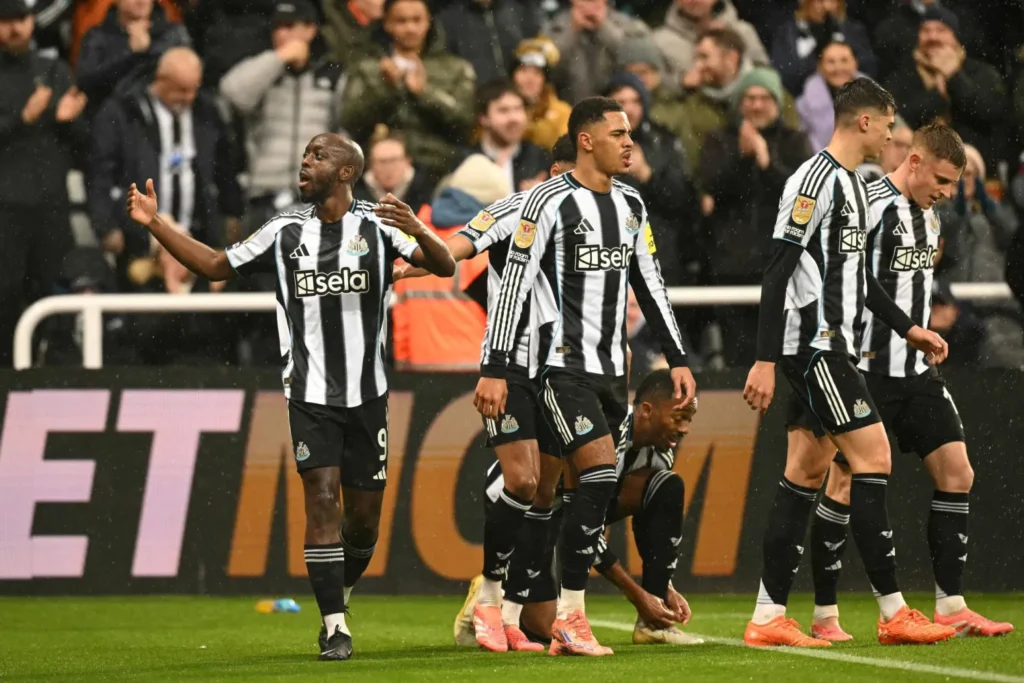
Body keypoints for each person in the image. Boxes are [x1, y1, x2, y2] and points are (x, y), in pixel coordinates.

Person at [124, 133, 455, 661]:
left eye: (318, 157)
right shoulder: (284, 230)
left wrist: (418, 230)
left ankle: (340, 596)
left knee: (364, 521)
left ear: (346, 173)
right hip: (309, 393)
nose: (305, 162)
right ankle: (335, 627)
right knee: (321, 499)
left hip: (368, 394)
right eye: (304, 154)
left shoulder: (377, 225)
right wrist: (155, 223)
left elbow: (444, 266)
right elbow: (215, 265)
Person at [474, 97, 695, 656]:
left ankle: (508, 607)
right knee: (596, 476)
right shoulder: (546, 201)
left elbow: (650, 282)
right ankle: (569, 616)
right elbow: (514, 287)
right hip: (558, 366)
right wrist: (496, 368)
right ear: (586, 141)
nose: (629, 142)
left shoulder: (631, 204)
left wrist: (678, 356)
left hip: (610, 371)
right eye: (618, 133)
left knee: (553, 493)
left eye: (631, 133)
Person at [741, 77, 954, 648]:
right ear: (865, 121)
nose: (891, 134)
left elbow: (858, 280)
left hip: (835, 347)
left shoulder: (856, 186)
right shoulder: (812, 181)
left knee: (805, 474)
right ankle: (893, 611)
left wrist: (909, 328)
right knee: (874, 455)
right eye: (888, 123)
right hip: (814, 346)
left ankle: (767, 615)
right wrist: (764, 360)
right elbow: (777, 270)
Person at [803, 123, 1015, 642]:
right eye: (940, 179)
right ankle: (826, 613)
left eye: (952, 183)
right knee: (842, 483)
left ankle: (951, 606)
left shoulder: (930, 213)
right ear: (914, 161)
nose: (945, 191)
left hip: (916, 372)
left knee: (957, 472)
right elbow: (852, 276)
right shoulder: (871, 205)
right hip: (865, 369)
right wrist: (906, 327)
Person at [401, 135, 575, 651]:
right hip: (509, 364)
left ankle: (512, 615)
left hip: (567, 370)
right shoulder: (513, 210)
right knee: (522, 481)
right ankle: (489, 600)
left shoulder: (608, 217)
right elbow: (455, 250)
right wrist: (419, 252)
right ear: (559, 169)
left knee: (547, 491)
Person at [458, 369, 702, 648]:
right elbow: (583, 518)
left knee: (666, 487)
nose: (685, 429)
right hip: (527, 507)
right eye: (679, 418)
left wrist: (661, 587)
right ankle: (491, 589)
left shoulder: (659, 450)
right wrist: (636, 595)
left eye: (689, 420)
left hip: (565, 507)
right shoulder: (606, 428)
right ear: (647, 410)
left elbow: (592, 518)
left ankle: (653, 624)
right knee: (544, 630)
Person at [0, 0, 86, 366]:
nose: (14, 28)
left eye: (20, 19)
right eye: (5, 21)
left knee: (55, 293)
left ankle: (54, 377)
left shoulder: (54, 70)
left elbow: (82, 142)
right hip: (5, 208)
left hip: (51, 203)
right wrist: (23, 118)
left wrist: (68, 120)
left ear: (32, 22)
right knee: (5, 297)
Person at [339, 0, 475, 182]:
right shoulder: (367, 68)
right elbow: (350, 121)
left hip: (439, 170)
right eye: (401, 21)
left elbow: (466, 124)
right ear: (387, 23)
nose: (410, 28)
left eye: (417, 20)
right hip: (381, 173)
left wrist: (424, 93)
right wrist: (386, 89)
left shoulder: (455, 68)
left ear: (428, 21)